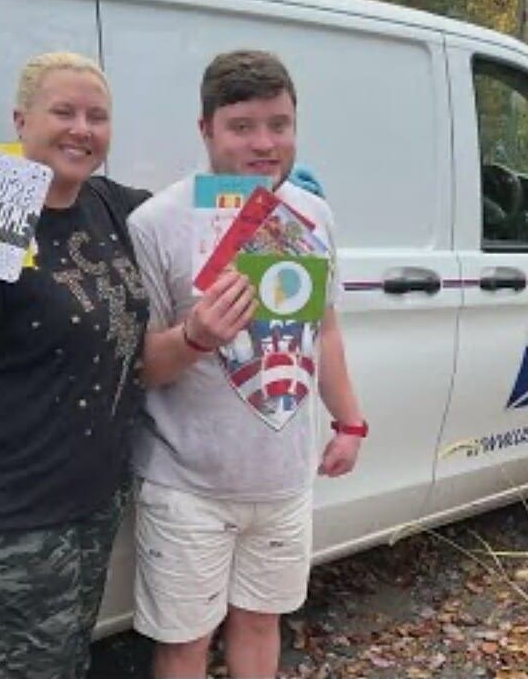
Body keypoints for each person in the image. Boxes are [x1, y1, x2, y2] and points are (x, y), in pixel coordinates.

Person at [0, 50, 327, 679]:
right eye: (63, 112)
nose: (82, 129)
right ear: (21, 119)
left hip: (89, 500)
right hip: (5, 511)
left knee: (68, 659)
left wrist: (275, 203)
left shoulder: (110, 206)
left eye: (97, 116)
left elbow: (198, 211)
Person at [126, 49, 368, 679]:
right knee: (184, 644)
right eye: (242, 127)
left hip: (283, 480)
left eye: (279, 125)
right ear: (205, 129)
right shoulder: (155, 223)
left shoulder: (313, 214)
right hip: (187, 486)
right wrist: (196, 336)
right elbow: (140, 368)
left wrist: (349, 421)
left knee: (261, 624)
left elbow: (324, 330)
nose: (265, 144)